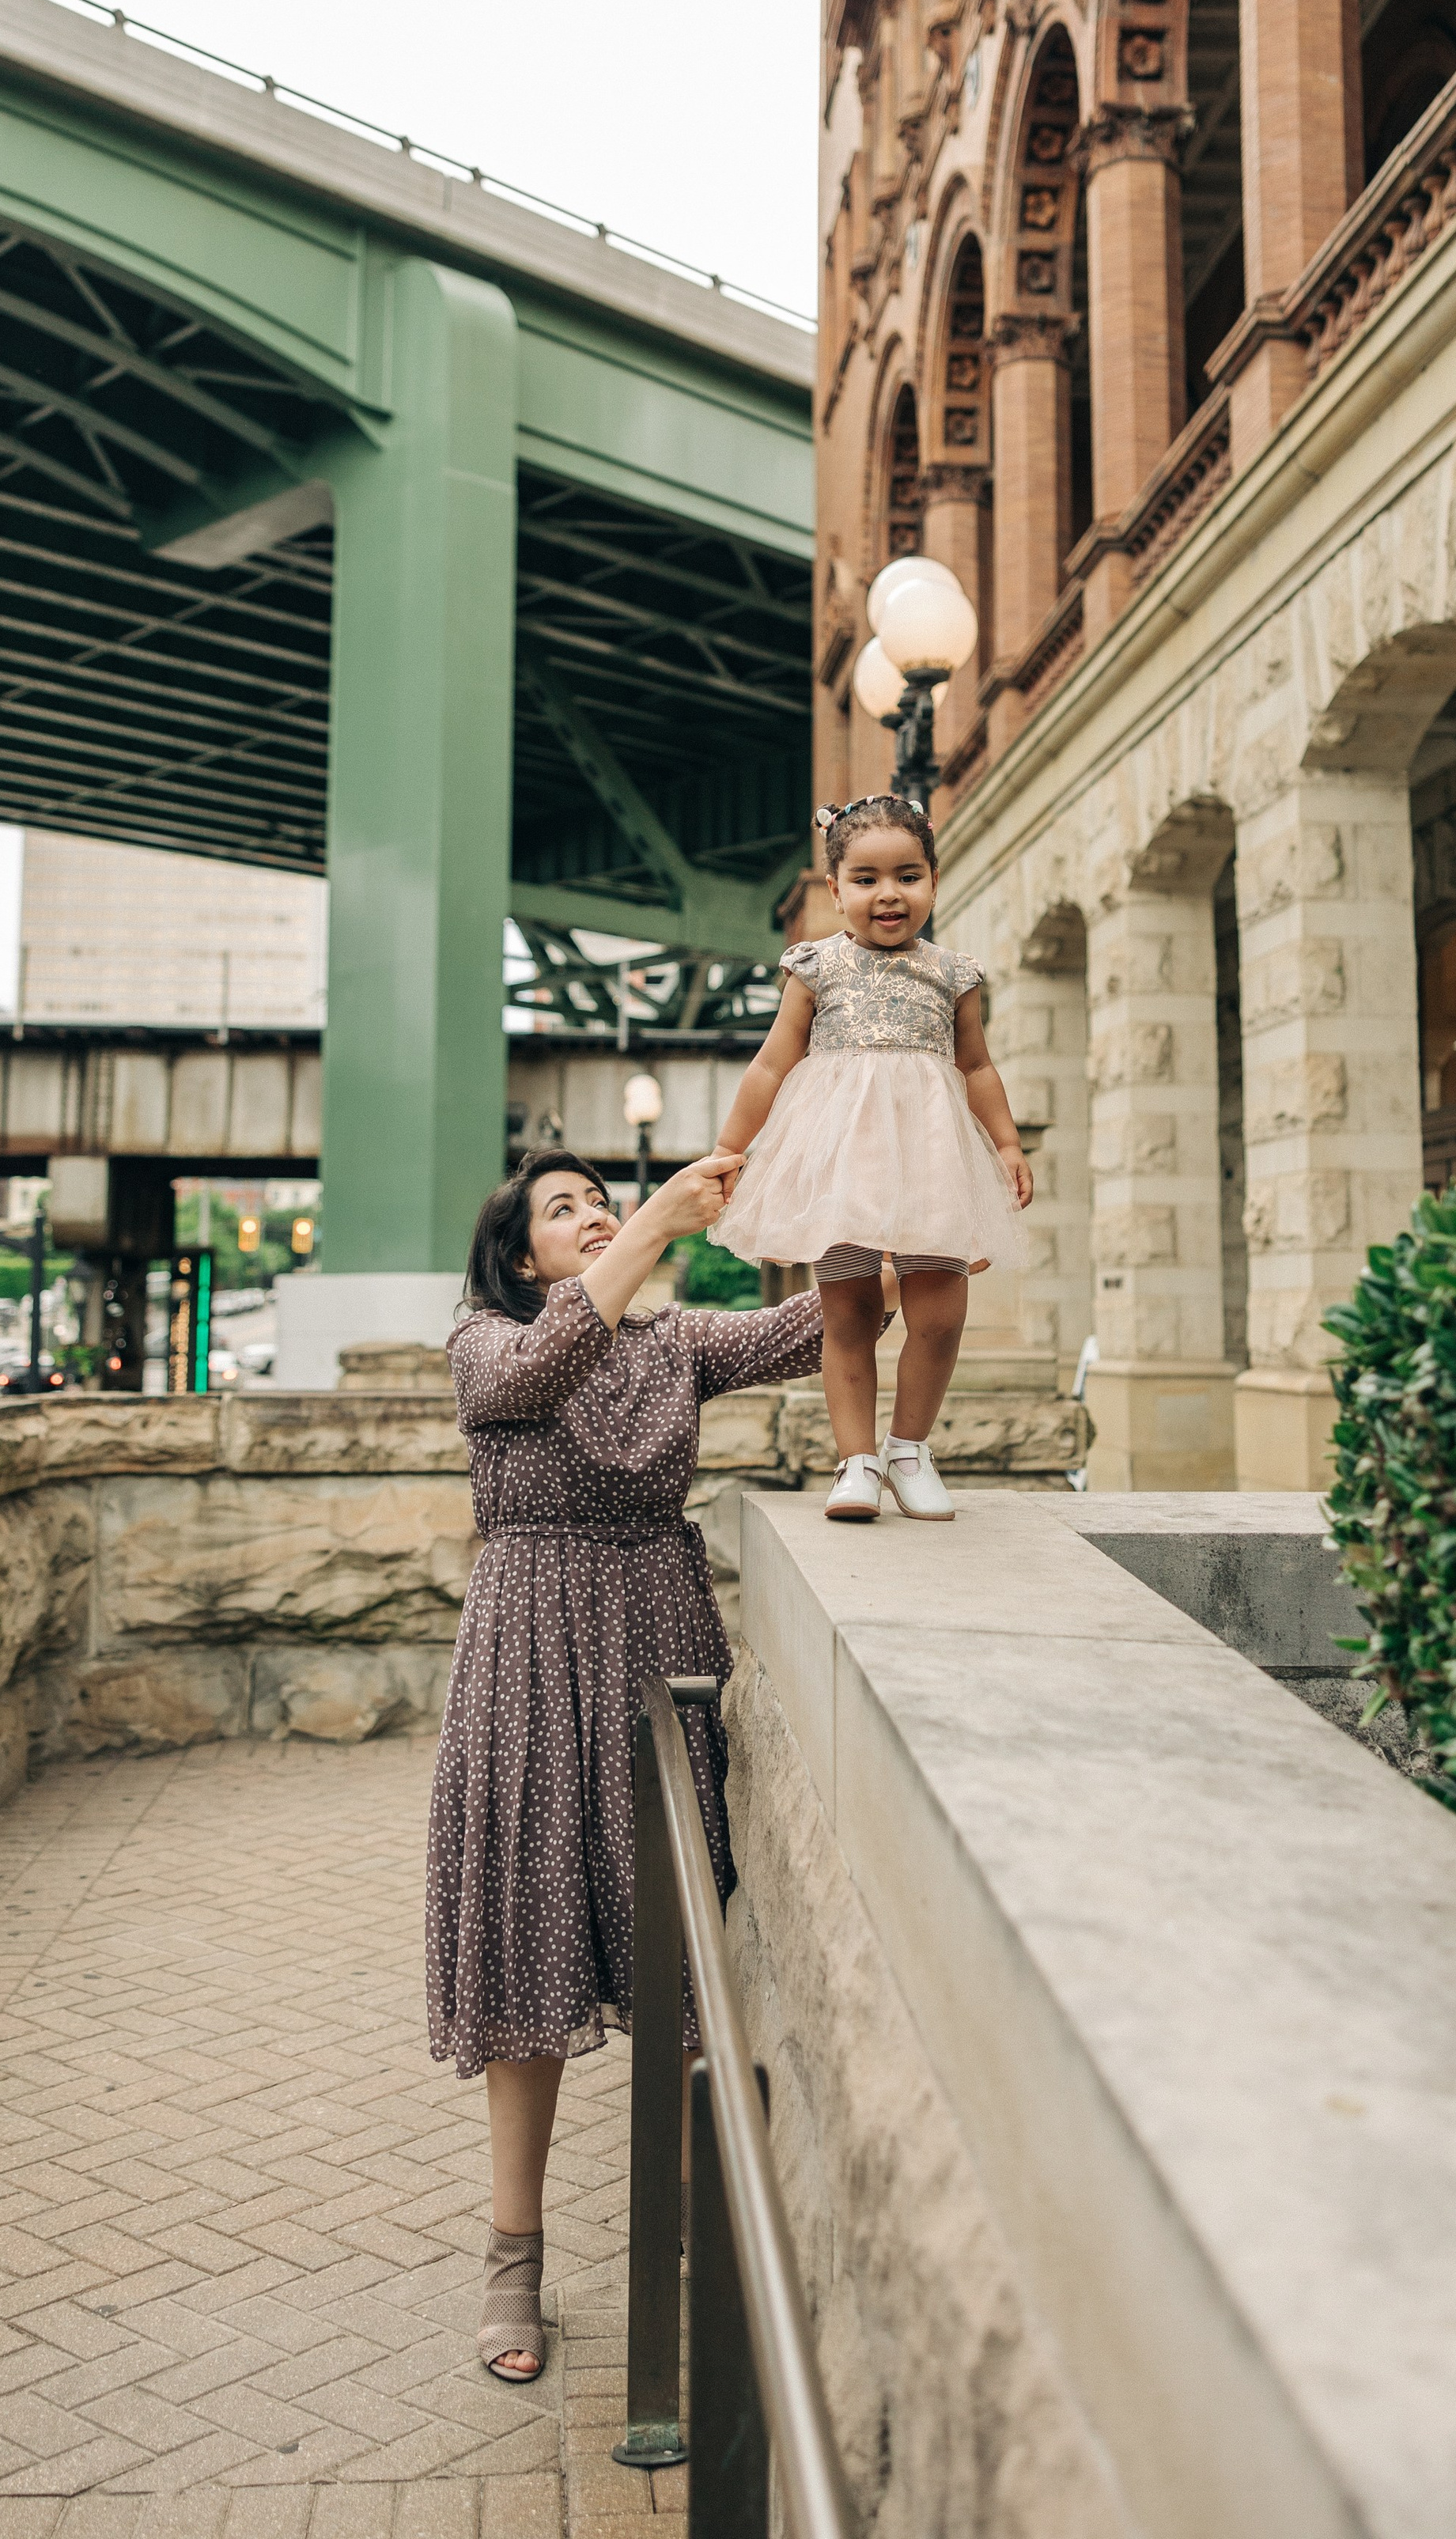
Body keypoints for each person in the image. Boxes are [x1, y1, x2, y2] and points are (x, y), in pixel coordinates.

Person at [425, 1145, 828, 2384]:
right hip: (529, 1666)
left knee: (685, 1936)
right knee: (530, 1945)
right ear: (520, 1254)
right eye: (568, 1210)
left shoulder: (674, 1343)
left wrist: (889, 1221)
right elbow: (547, 1364)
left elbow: (816, 1327)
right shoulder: (486, 1341)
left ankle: (707, 2216)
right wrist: (655, 1221)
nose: (596, 1216)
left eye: (603, 1202)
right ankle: (513, 2261)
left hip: (658, 1644)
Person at [709, 792, 1032, 1523]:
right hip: (843, 1166)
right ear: (835, 890)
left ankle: (908, 1450)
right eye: (866, 879)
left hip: (933, 1163)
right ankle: (856, 1461)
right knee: (850, 1315)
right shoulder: (815, 968)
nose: (889, 894)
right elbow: (771, 1065)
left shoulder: (953, 974)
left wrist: (1007, 1143)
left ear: (934, 881)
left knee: (941, 1314)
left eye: (907, 876)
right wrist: (731, 1148)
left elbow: (977, 1067)